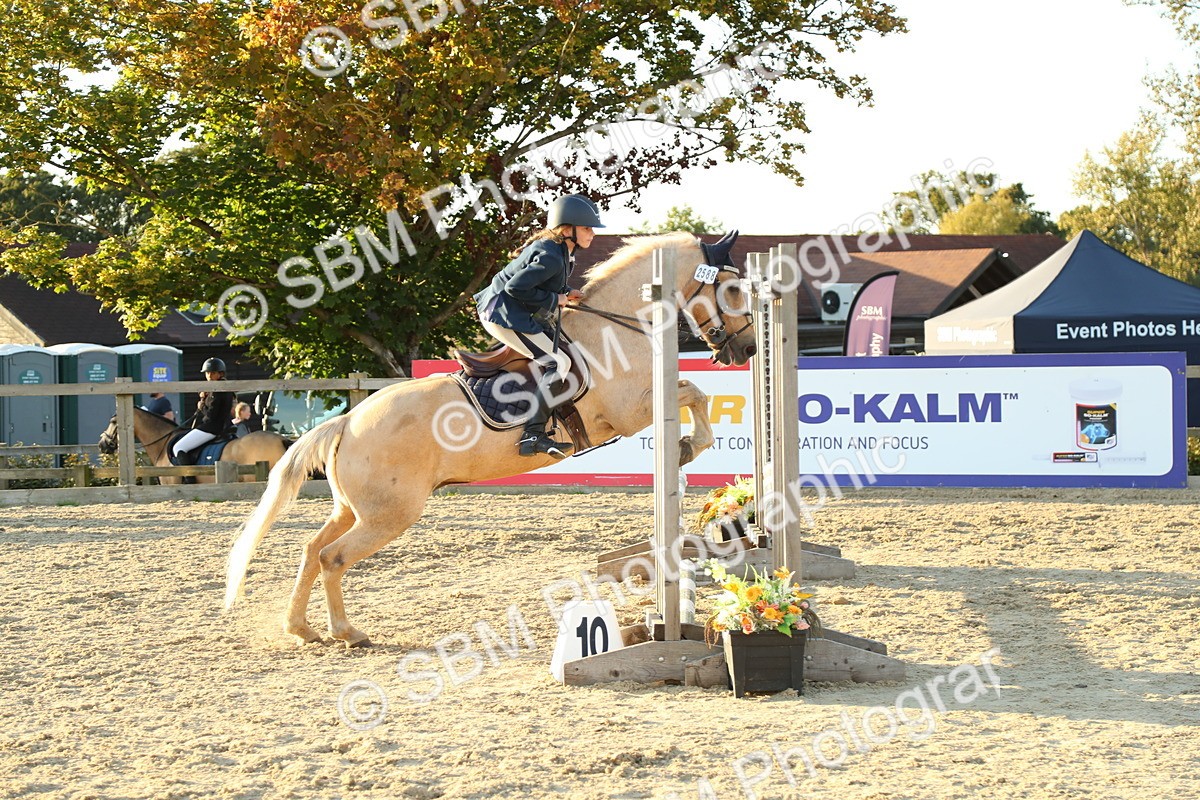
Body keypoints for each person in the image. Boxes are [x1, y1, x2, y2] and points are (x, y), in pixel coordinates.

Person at [473, 194, 602, 459]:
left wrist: (566, 291)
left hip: (513, 311)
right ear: (568, 230)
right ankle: (532, 434)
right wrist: (558, 299)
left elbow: (542, 283)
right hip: (502, 313)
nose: (593, 234)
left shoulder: (561, 251)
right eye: (587, 228)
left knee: (563, 357)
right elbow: (515, 287)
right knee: (558, 363)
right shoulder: (552, 254)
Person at [171, 358, 235, 465]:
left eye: (212, 373)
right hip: (224, 425)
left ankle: (189, 478)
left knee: (179, 447)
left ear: (220, 374)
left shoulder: (217, 390)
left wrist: (201, 406)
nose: (209, 376)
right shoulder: (223, 387)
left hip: (212, 428)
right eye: (207, 373)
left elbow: (211, 415)